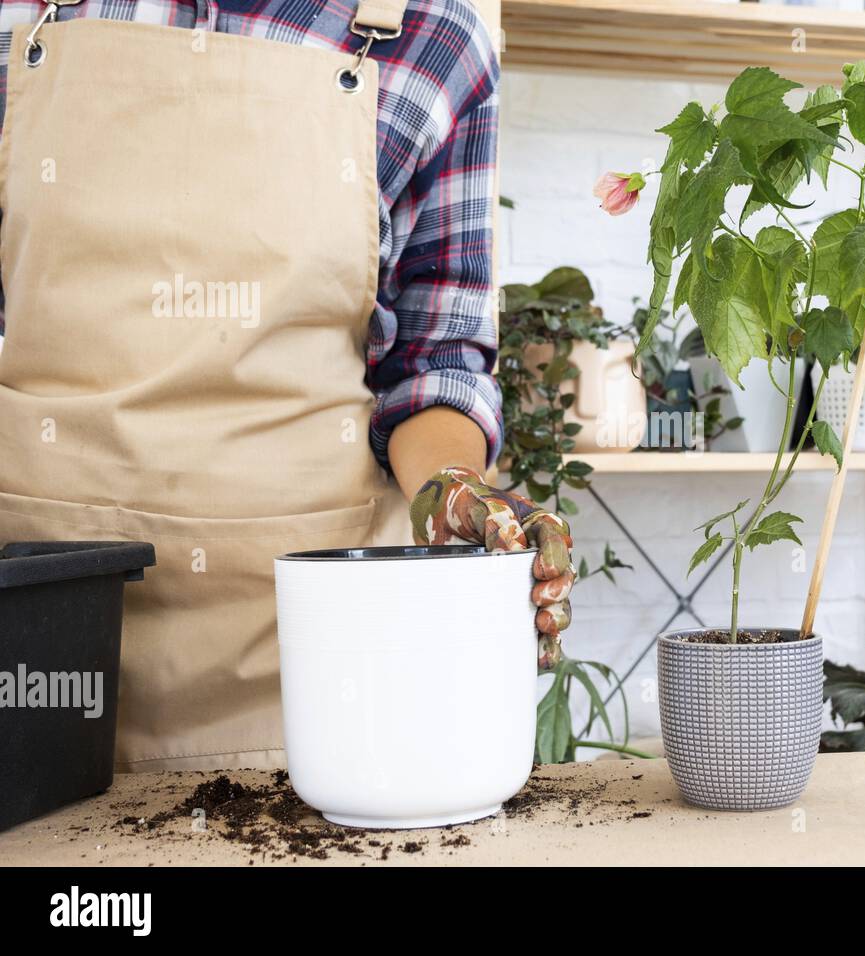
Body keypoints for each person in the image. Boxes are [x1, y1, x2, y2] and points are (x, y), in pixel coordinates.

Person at [0, 0, 573, 772]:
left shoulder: (434, 36)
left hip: (310, 673)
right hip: (35, 640)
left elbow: (432, 368)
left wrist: (454, 490)